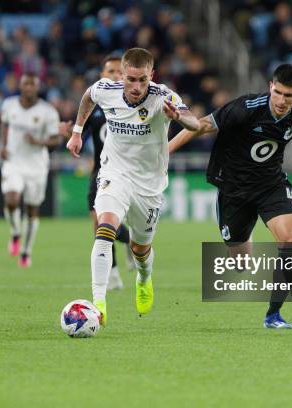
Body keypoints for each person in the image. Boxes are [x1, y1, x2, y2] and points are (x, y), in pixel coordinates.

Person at [169, 64, 292, 329]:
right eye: (278, 93)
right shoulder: (247, 107)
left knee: (291, 239)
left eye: (289, 95)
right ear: (270, 87)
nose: (282, 101)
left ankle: (273, 315)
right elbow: (203, 125)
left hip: (270, 184)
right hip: (233, 188)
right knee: (239, 261)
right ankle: (245, 232)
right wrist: (166, 152)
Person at [66, 47, 200, 326]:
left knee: (141, 249)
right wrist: (77, 132)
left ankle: (144, 277)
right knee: (105, 226)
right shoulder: (106, 89)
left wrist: (178, 116)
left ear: (152, 75)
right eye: (130, 79)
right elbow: (88, 97)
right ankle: (98, 303)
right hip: (115, 172)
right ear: (122, 75)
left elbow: (194, 123)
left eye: (143, 80)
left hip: (149, 185)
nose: (137, 87)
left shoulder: (164, 96)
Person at [0, 73, 67, 267]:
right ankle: (14, 233)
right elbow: (4, 124)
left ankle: (26, 251)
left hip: (36, 166)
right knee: (11, 200)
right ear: (20, 86)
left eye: (32, 84)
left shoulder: (48, 112)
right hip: (14, 162)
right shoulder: (9, 105)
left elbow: (55, 140)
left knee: (31, 209)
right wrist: (3, 145)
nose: (28, 88)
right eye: (25, 84)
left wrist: (39, 141)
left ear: (38, 87)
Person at [81, 55, 135, 290]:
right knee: (99, 223)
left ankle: (133, 242)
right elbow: (81, 136)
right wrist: (69, 133)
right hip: (100, 172)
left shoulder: (133, 105)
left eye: (118, 71)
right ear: (102, 76)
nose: (114, 75)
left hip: (127, 173)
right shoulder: (94, 107)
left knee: (112, 224)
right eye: (110, 71)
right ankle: (112, 274)